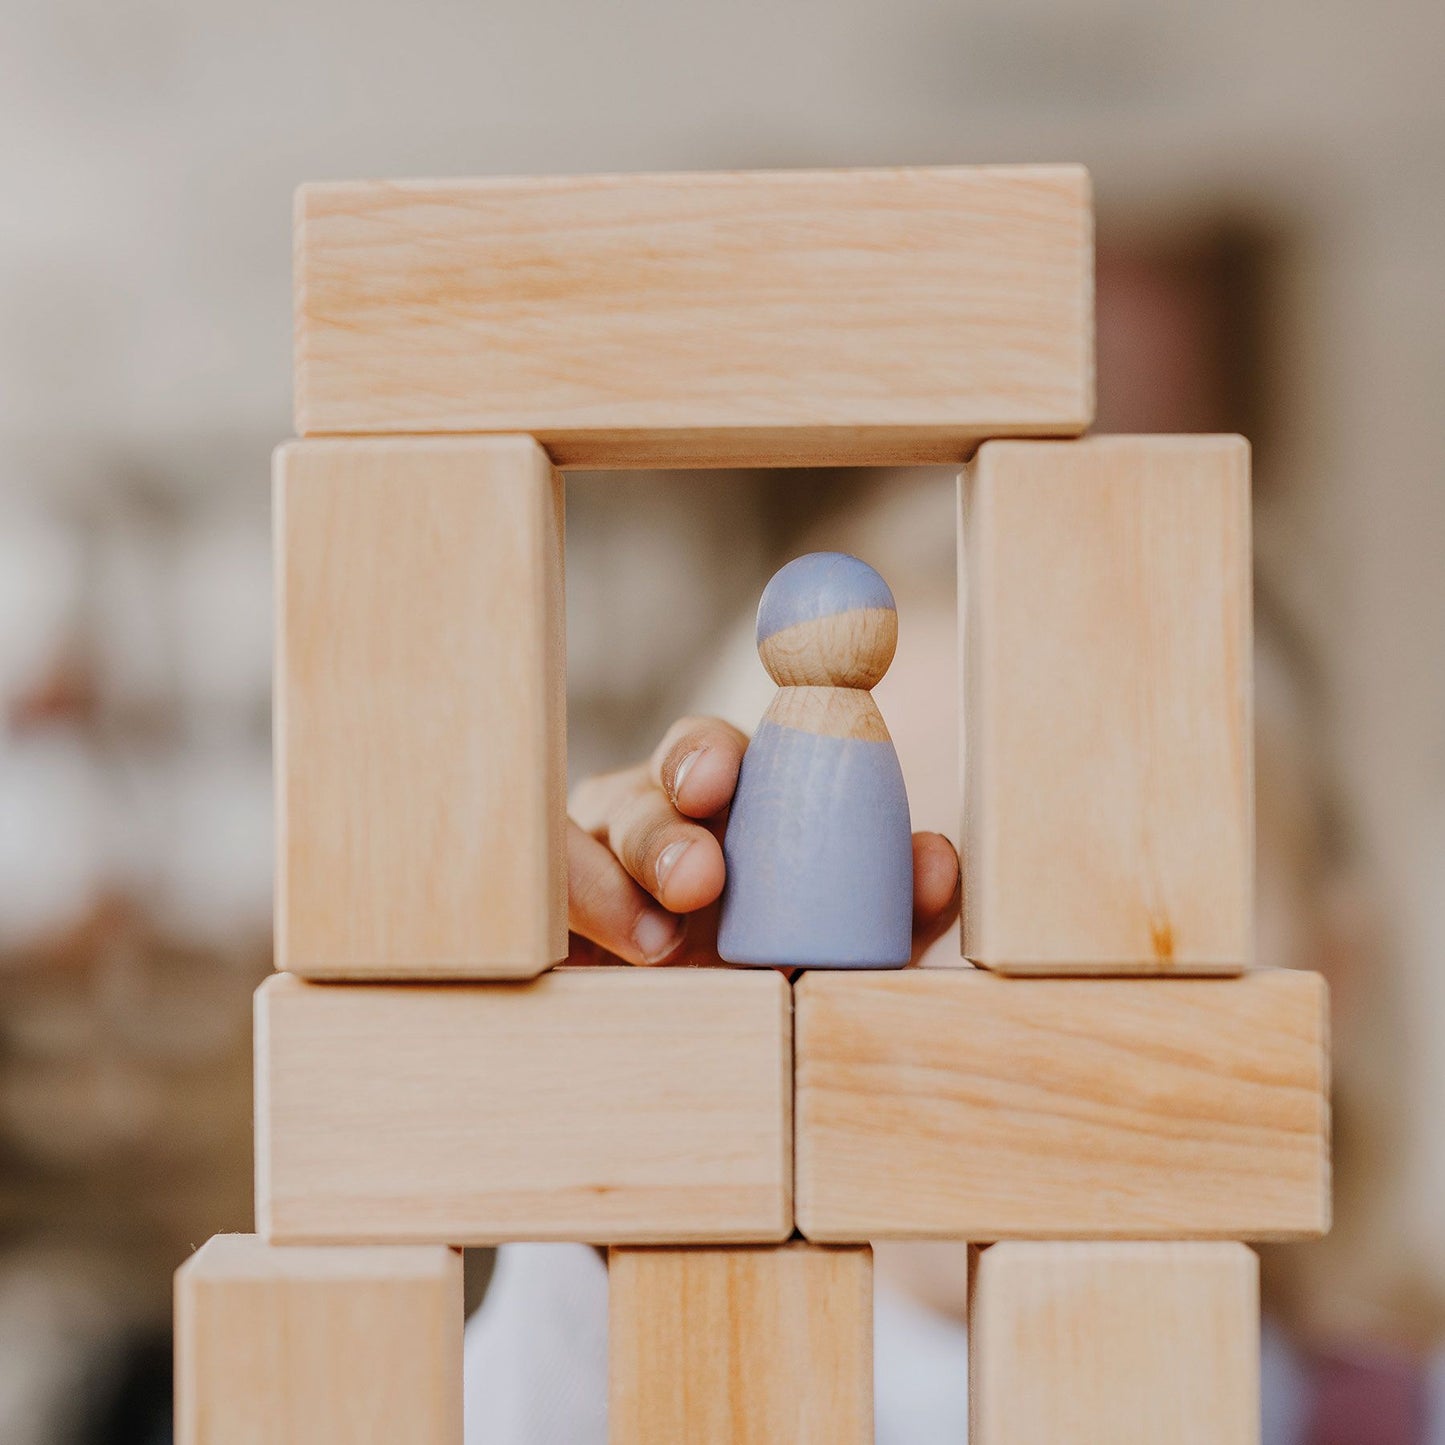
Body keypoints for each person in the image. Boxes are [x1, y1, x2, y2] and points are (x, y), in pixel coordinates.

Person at [465, 475, 1445, 1444]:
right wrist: (616, 1199)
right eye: (871, 900)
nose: (985, 987)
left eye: (1105, 895)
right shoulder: (616, 1397)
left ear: (1328, 974)